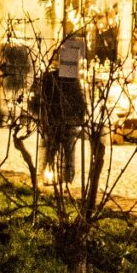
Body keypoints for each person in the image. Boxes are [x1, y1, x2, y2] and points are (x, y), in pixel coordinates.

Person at [34, 48, 88, 189]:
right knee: (65, 153)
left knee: (53, 151)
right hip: (62, 122)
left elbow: (43, 99)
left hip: (58, 121)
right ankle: (65, 180)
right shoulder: (69, 81)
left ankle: (51, 175)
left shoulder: (51, 78)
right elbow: (80, 102)